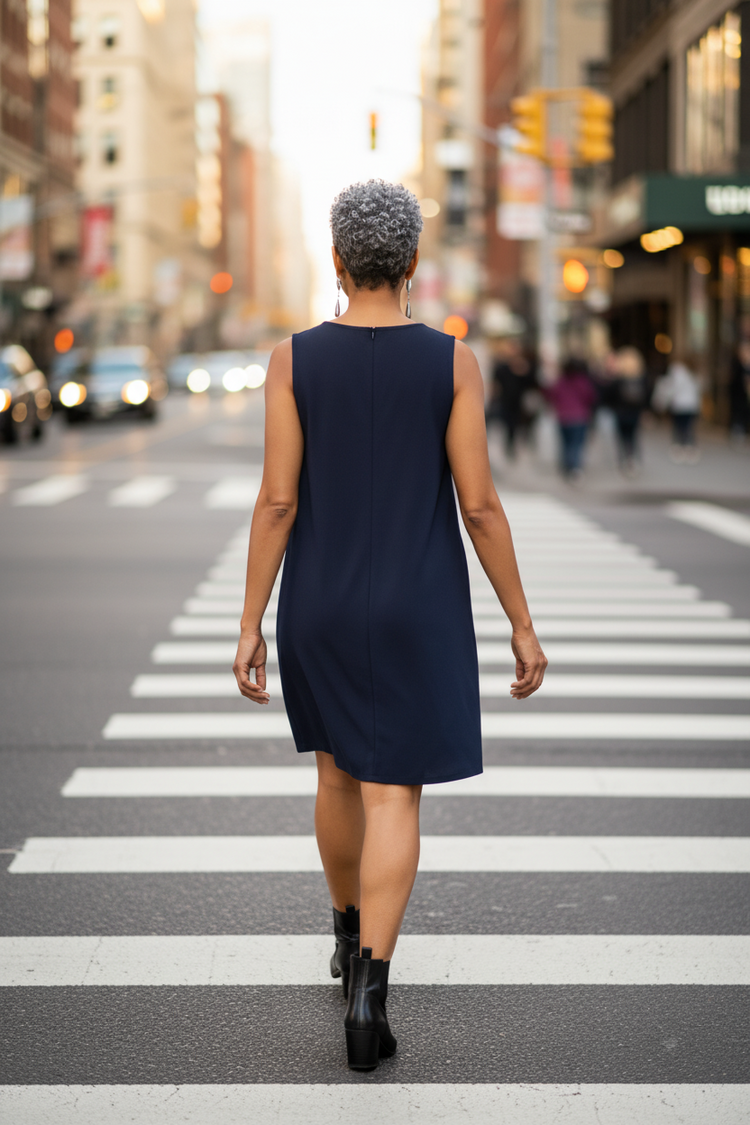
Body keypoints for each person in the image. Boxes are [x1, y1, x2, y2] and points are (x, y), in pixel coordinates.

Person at [232, 179, 547, 1072]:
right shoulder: (453, 363)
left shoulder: (292, 360)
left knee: (336, 775)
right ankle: (371, 991)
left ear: (337, 260)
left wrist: (250, 621)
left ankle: (344, 937)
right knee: (393, 794)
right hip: (419, 604)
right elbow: (479, 507)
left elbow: (278, 499)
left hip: (321, 601)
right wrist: (522, 623)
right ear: (413, 261)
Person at [543, 357, 598, 479]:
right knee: (577, 444)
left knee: (566, 443)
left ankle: (567, 466)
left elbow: (551, 395)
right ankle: (575, 467)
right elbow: (591, 397)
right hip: (580, 417)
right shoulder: (583, 382)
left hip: (564, 417)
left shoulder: (561, 382)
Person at [489, 338, 539, 460]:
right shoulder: (502, 367)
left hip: (520, 402)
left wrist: (523, 371)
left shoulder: (525, 365)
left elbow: (532, 383)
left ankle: (521, 442)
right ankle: (510, 446)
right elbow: (496, 383)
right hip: (505, 400)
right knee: (508, 424)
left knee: (520, 424)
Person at [652, 353, 703, 462]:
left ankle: (678, 447)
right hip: (691, 405)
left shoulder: (676, 370)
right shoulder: (694, 372)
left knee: (678, 427)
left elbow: (671, 387)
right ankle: (690, 448)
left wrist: (662, 401)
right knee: (688, 427)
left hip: (679, 405)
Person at [607, 346, 649, 475]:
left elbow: (609, 397)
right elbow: (647, 396)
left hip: (620, 413)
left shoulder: (618, 379)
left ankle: (623, 461)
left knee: (622, 438)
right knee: (633, 437)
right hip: (635, 413)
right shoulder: (642, 379)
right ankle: (633, 460)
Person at [729, 341, 750, 439]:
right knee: (738, 413)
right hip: (739, 395)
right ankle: (738, 431)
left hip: (745, 395)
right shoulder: (736, 365)